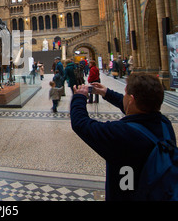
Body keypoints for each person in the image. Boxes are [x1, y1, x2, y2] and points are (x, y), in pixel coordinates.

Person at [70, 73, 176, 201]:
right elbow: (137, 108)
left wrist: (79, 97)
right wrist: (107, 93)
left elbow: (81, 124)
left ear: (131, 99)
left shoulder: (121, 133)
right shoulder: (165, 124)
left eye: (125, 94)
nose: (124, 97)